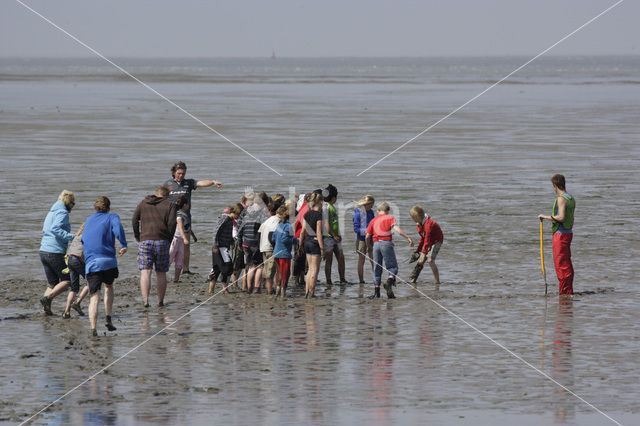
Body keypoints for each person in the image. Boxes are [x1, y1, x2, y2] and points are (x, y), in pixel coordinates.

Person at [163, 161, 223, 274]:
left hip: (185, 218)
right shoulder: (168, 184)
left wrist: (213, 182)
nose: (181, 175)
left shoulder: (188, 183)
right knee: (170, 244)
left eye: (183, 173)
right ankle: (165, 267)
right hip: (171, 219)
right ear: (174, 172)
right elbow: (161, 198)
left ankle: (185, 269)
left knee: (186, 244)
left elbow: (201, 183)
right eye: (179, 173)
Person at [82, 196, 127, 337]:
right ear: (108, 207)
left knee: (94, 296)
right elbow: (118, 229)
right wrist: (124, 244)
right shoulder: (112, 217)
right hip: (108, 261)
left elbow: (83, 239)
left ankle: (93, 329)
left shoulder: (88, 220)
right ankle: (108, 316)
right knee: (108, 286)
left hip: (92, 262)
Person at [132, 186, 179, 307]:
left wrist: (138, 235)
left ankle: (146, 301)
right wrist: (168, 238)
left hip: (145, 240)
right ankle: (160, 301)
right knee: (161, 272)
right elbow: (172, 224)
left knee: (145, 272)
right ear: (166, 196)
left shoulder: (143, 203)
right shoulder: (170, 205)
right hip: (162, 241)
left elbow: (134, 219)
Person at [39, 190, 76, 316]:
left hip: (43, 250)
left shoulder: (51, 212)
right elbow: (55, 228)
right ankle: (47, 299)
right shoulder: (62, 212)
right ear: (68, 202)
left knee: (52, 283)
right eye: (73, 203)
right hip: (54, 251)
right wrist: (71, 237)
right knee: (68, 280)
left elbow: (46, 229)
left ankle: (45, 310)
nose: (73, 206)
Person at [365, 202, 413, 299]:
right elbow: (397, 230)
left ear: (378, 211)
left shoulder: (373, 220)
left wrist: (368, 246)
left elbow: (367, 236)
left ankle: (377, 292)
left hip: (376, 245)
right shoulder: (390, 218)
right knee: (392, 267)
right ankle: (389, 281)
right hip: (386, 243)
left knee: (377, 268)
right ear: (388, 211)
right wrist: (408, 237)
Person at [538, 174, 576, 295]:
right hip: (568, 233)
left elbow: (561, 217)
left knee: (561, 265)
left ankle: (565, 294)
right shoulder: (571, 198)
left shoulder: (561, 198)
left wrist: (544, 216)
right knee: (566, 263)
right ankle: (568, 291)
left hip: (560, 235)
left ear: (555, 186)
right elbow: (572, 219)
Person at [238, 192, 270, 293]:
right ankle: (256, 288)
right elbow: (266, 228)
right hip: (257, 241)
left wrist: (239, 242)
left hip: (246, 241)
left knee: (250, 266)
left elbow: (239, 227)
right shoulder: (262, 213)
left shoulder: (245, 211)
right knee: (260, 266)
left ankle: (248, 288)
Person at [208, 203, 243, 294]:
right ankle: (222, 289)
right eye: (238, 215)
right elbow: (216, 232)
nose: (238, 217)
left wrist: (231, 240)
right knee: (227, 267)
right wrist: (215, 245)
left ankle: (215, 289)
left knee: (218, 268)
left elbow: (227, 232)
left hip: (224, 247)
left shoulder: (231, 220)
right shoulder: (224, 218)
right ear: (234, 212)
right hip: (219, 247)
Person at [409, 206, 444, 285]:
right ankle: (413, 280)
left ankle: (437, 282)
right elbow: (423, 238)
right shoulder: (418, 224)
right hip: (428, 241)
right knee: (420, 261)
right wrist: (418, 251)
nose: (412, 219)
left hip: (436, 241)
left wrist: (424, 253)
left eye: (412, 217)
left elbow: (427, 239)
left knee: (430, 260)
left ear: (417, 217)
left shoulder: (428, 224)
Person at [299, 192, 324, 298]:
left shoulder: (307, 214)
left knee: (309, 269)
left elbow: (302, 231)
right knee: (315, 269)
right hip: (315, 242)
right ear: (320, 202)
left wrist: (300, 244)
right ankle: (311, 292)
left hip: (307, 242)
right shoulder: (319, 215)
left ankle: (306, 292)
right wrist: (322, 247)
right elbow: (318, 232)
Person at [63, 222, 90, 318]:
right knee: (90, 281)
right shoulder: (87, 237)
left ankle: (66, 311)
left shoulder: (77, 236)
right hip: (77, 260)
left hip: (69, 259)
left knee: (74, 288)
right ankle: (77, 302)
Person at [322, 184, 346, 285]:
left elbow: (334, 222)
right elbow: (326, 224)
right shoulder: (326, 207)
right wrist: (333, 235)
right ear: (334, 198)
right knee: (329, 260)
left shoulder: (332, 207)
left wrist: (338, 235)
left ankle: (342, 279)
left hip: (336, 237)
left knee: (341, 257)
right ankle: (328, 280)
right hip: (328, 237)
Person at [272, 204, 295, 299]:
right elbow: (285, 239)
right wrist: (295, 240)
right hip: (284, 253)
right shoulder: (288, 226)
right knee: (285, 273)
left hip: (276, 252)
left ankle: (277, 291)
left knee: (279, 273)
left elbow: (273, 238)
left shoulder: (279, 225)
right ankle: (283, 292)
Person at [259, 202, 281, 294]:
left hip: (263, 247)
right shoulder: (276, 220)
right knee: (271, 271)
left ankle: (269, 288)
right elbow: (271, 234)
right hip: (270, 248)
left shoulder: (266, 221)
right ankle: (271, 290)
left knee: (267, 269)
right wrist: (275, 246)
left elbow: (259, 233)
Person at [353, 194, 375, 284]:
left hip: (371, 238)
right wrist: (367, 231)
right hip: (361, 240)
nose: (372, 207)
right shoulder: (357, 213)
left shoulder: (371, 212)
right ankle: (361, 280)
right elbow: (356, 229)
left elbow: (373, 223)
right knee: (361, 260)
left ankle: (376, 278)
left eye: (372, 205)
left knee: (373, 259)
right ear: (365, 204)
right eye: (370, 205)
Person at [169, 201, 191, 283]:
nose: (188, 205)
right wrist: (185, 238)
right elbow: (180, 228)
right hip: (176, 238)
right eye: (187, 204)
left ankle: (176, 279)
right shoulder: (178, 215)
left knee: (180, 258)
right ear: (184, 204)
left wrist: (192, 235)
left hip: (181, 239)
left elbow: (187, 226)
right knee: (170, 257)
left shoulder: (185, 214)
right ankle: (161, 276)